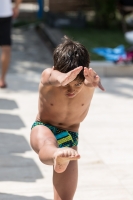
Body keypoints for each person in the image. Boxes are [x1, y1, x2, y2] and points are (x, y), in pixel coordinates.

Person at [30, 36, 105, 200]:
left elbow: (90, 81)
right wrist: (62, 79)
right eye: (67, 84)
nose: (71, 90)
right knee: (47, 145)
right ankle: (56, 154)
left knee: (65, 197)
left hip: (70, 137)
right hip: (44, 127)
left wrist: (92, 84)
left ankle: (60, 156)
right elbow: (52, 76)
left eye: (77, 84)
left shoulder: (88, 81)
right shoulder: (49, 76)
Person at [0, 0, 22, 88]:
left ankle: (2, 79)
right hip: (6, 13)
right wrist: (16, 7)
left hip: (6, 14)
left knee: (6, 49)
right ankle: (2, 79)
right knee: (6, 49)